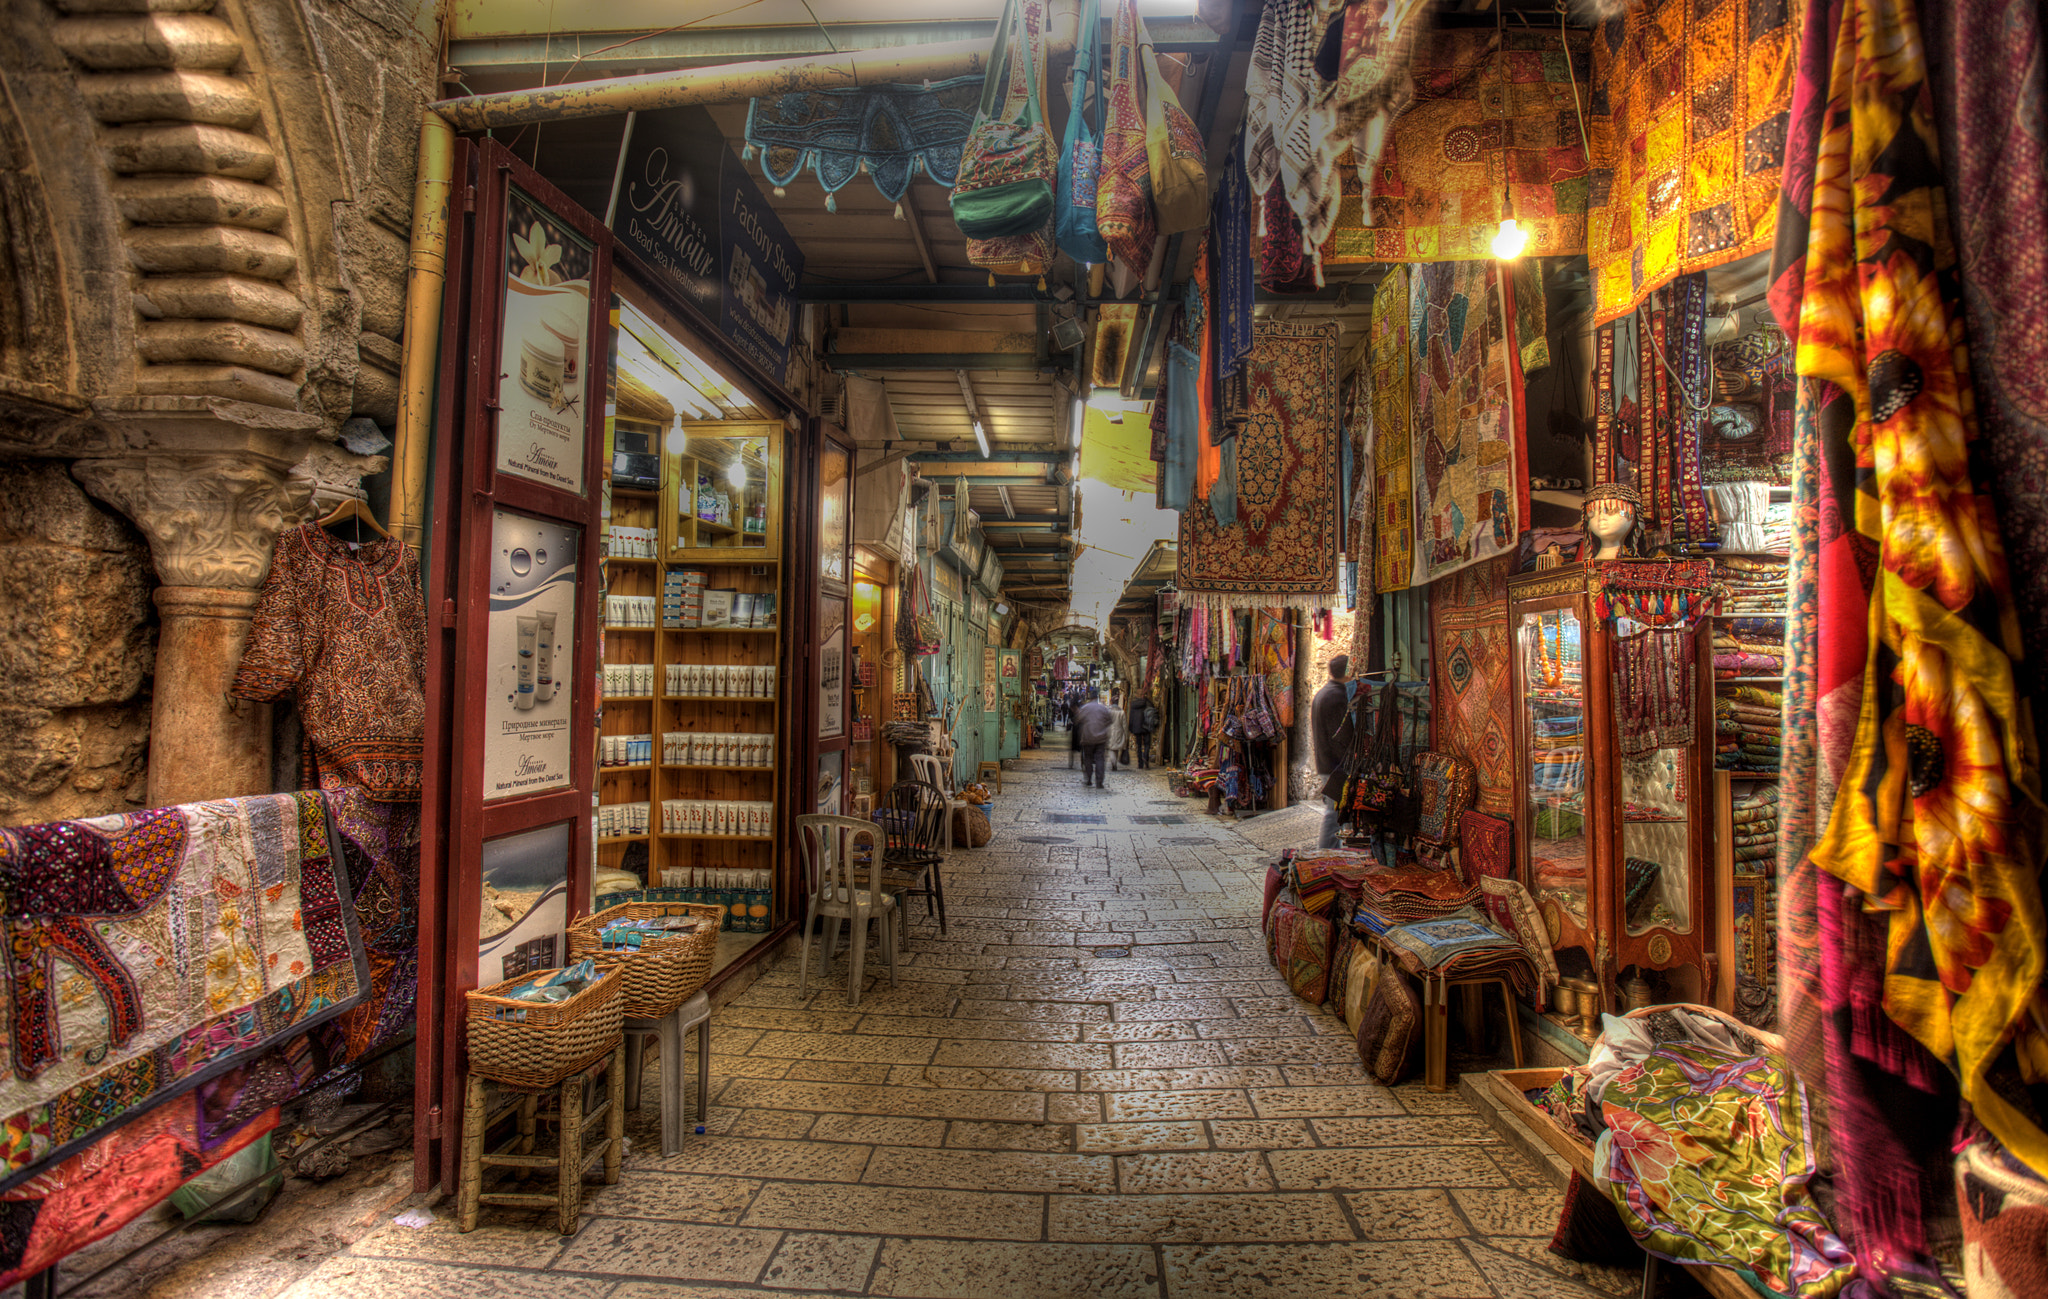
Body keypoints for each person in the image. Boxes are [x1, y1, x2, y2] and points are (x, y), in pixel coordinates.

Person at [1311, 654, 1357, 849]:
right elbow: (1340, 736)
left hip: (1327, 762)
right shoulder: (1337, 696)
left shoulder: (1324, 693)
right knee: (1335, 813)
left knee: (1337, 812)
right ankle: (1324, 855)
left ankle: (1340, 853)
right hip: (1336, 765)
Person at [1073, 687, 1114, 789]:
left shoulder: (1085, 708)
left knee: (1088, 758)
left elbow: (1078, 720)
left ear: (1090, 697)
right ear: (1097, 697)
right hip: (1101, 738)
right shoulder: (1103, 708)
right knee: (1100, 759)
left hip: (1088, 737)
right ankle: (1099, 781)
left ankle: (1088, 779)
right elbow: (1109, 720)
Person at [1130, 693, 1160, 769]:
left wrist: (1131, 728)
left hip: (1137, 727)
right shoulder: (1148, 703)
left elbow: (1131, 717)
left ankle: (1140, 763)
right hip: (1147, 726)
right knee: (1147, 744)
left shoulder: (1133, 704)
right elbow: (1154, 714)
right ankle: (1145, 757)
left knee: (1139, 745)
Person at [1107, 692, 1130, 771]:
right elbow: (1124, 725)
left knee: (1111, 748)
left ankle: (1114, 763)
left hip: (1110, 731)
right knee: (1116, 749)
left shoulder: (1108, 711)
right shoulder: (1121, 712)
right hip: (1119, 732)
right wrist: (1126, 735)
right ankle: (1114, 763)